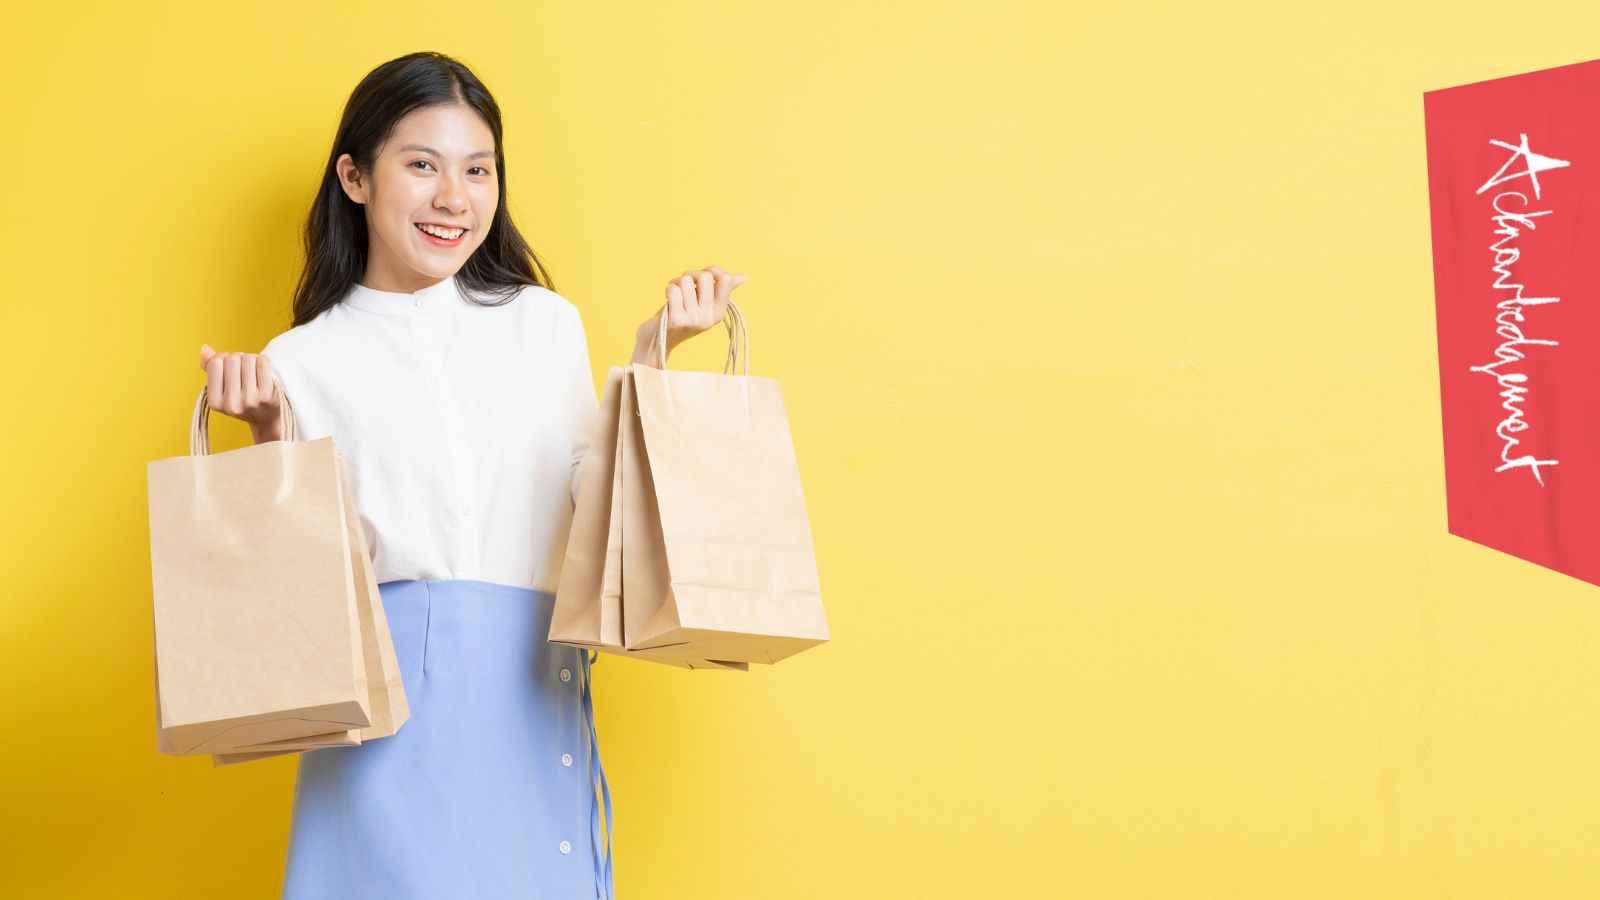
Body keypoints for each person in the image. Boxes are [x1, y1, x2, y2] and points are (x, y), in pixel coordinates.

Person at [194, 51, 746, 899]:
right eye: (422, 165)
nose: (455, 197)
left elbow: (592, 503)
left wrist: (654, 359)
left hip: (529, 686)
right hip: (383, 718)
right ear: (355, 177)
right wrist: (271, 436)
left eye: (478, 170)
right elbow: (300, 578)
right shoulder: (299, 360)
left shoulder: (541, 324)